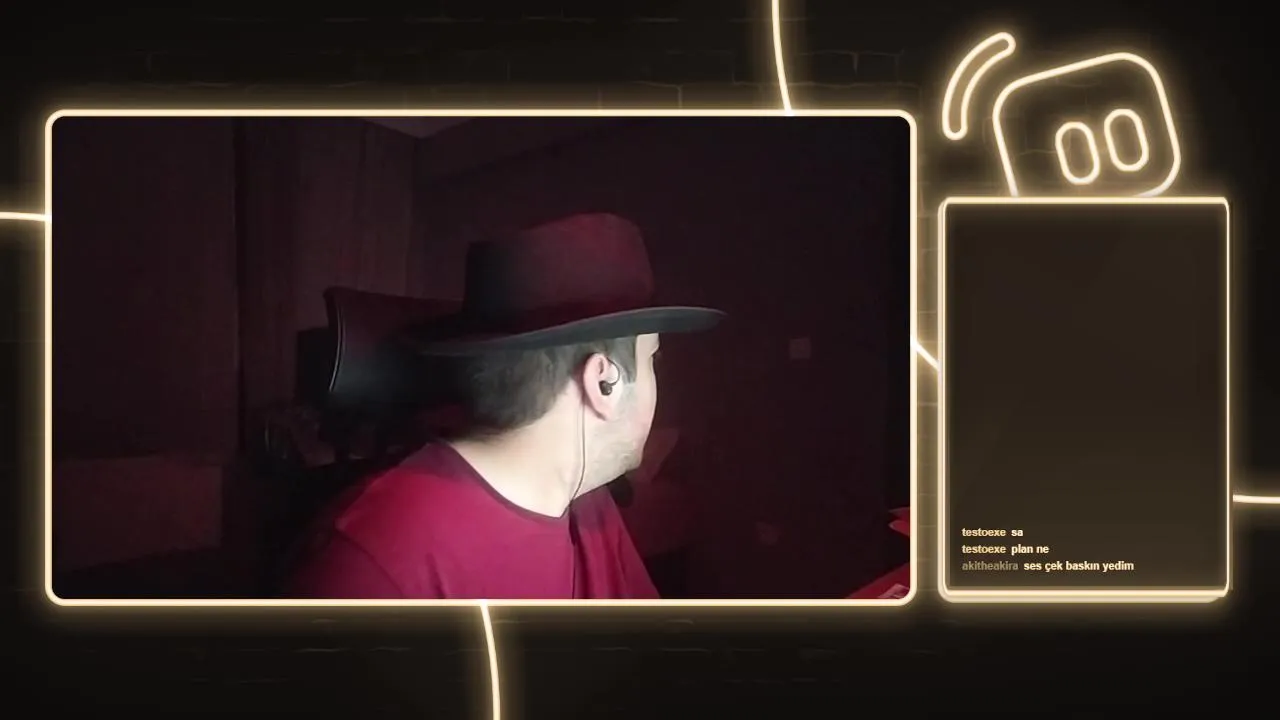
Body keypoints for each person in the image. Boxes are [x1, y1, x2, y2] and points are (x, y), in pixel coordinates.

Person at [283, 213, 723, 599]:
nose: (657, 380)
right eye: (652, 359)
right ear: (603, 382)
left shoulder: (588, 503)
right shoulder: (375, 570)